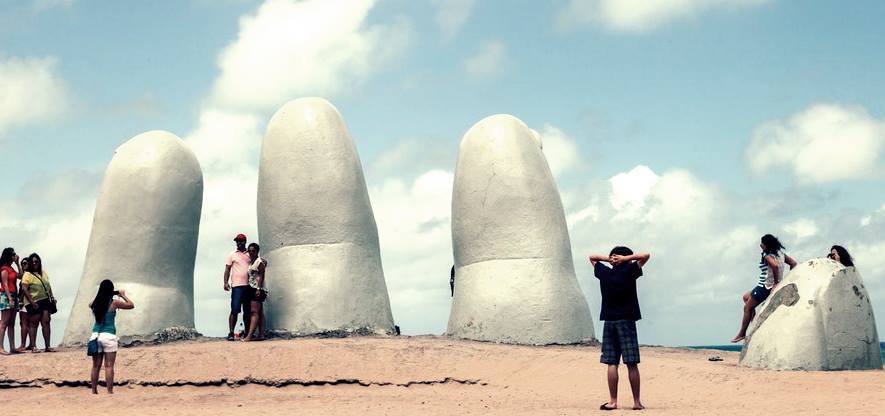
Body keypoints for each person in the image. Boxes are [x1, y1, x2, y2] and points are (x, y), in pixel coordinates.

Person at [589, 246, 651, 411]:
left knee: (612, 363)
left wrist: (608, 258)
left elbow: (592, 257)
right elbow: (646, 255)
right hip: (627, 320)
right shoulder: (629, 270)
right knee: (631, 363)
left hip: (609, 321)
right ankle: (636, 402)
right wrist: (624, 259)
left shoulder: (605, 273)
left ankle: (613, 401)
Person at [731, 234, 797, 343]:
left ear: (766, 245)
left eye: (762, 243)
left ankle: (742, 333)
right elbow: (793, 263)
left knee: (747, 308)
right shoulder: (781, 254)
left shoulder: (767, 255)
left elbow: (774, 266)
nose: (760, 245)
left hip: (765, 286)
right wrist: (786, 279)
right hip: (764, 285)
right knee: (745, 297)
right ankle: (755, 323)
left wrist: (776, 283)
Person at [88, 279, 134, 394]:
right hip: (108, 336)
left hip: (96, 336)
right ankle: (109, 391)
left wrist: (103, 294)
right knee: (109, 366)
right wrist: (122, 295)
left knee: (96, 366)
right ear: (111, 290)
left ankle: (94, 391)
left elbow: (91, 303)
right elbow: (131, 305)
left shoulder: (95, 303)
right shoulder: (114, 303)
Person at [21, 253, 55, 352]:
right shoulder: (27, 274)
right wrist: (32, 302)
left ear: (39, 262)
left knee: (46, 321)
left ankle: (47, 346)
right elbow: (25, 289)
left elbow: (48, 286)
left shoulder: (43, 273)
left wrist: (52, 297)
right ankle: (33, 346)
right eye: (32, 262)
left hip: (44, 299)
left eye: (36, 261)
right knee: (34, 322)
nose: (34, 263)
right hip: (33, 300)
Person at [224, 233, 252, 341]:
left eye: (241, 241)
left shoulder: (250, 253)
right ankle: (231, 333)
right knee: (234, 310)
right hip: (236, 286)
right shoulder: (232, 254)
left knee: (247, 311)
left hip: (248, 286)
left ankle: (247, 332)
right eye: (237, 241)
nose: (239, 243)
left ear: (245, 241)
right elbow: (227, 269)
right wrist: (225, 282)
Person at [243, 242, 267, 342]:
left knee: (254, 312)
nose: (251, 252)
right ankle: (261, 334)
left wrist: (258, 288)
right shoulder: (252, 262)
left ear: (257, 251)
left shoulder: (259, 262)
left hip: (257, 289)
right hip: (251, 288)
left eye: (253, 251)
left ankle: (249, 336)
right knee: (260, 313)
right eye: (250, 251)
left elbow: (262, 275)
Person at [0, 248, 21, 355]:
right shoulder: (4, 269)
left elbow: (21, 276)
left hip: (14, 295)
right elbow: (5, 284)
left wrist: (18, 264)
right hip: (6, 295)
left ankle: (12, 347)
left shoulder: (11, 268)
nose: (14, 256)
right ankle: (1, 347)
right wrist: (10, 298)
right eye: (13, 255)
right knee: (4, 322)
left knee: (11, 323)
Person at [16, 258, 31, 352]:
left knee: (24, 323)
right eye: (22, 264)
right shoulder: (29, 275)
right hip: (29, 301)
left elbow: (25, 289)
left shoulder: (27, 275)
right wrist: (17, 263)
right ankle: (30, 344)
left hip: (24, 302)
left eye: (25, 263)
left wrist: (20, 300)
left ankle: (23, 344)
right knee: (28, 324)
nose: (23, 265)